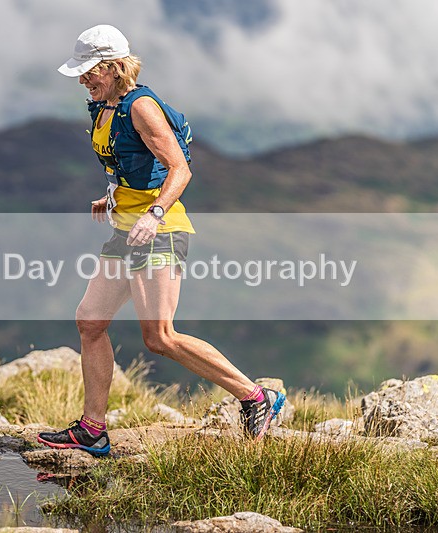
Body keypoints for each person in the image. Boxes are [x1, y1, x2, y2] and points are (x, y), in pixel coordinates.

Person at [37, 24, 285, 456]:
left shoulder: (142, 107)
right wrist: (113, 195)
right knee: (90, 322)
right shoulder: (103, 106)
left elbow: (179, 169)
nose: (83, 79)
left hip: (159, 231)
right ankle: (93, 429)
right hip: (125, 228)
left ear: (114, 67)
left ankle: (255, 397)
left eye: (89, 71)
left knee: (160, 336)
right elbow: (132, 163)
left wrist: (154, 214)